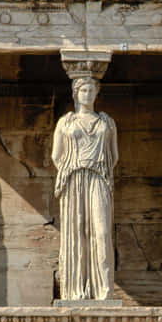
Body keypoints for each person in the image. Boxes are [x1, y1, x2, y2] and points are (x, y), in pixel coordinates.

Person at [52, 76, 118, 300]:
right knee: (76, 231)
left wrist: (95, 168)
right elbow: (56, 156)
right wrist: (74, 168)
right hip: (73, 179)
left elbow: (114, 156)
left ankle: (103, 291)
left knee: (102, 232)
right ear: (75, 93)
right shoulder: (65, 123)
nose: (88, 94)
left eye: (91, 90)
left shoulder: (107, 122)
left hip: (99, 177)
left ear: (97, 93)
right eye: (83, 90)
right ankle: (75, 291)